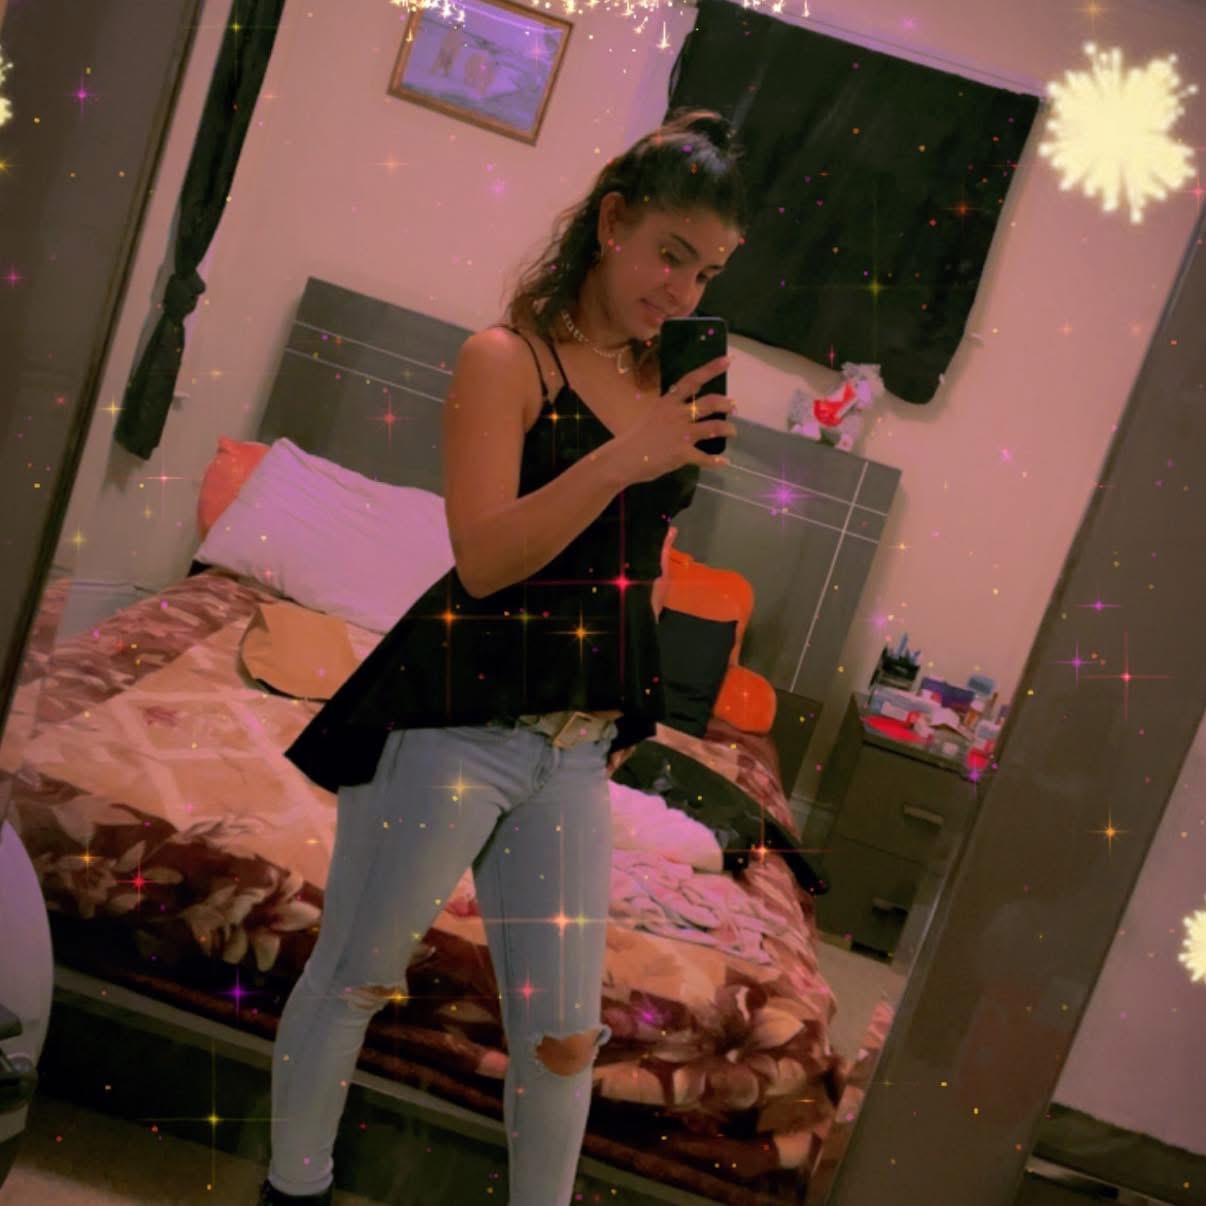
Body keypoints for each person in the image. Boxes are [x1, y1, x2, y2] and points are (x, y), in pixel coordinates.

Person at [258, 106, 748, 1206]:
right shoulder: (504, 361)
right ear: (612, 223)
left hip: (572, 751)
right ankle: (293, 1191)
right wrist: (627, 455)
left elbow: (645, 560)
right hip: (453, 726)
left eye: (708, 273)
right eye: (670, 254)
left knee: (566, 1037)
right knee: (355, 979)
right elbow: (483, 558)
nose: (683, 291)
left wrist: (631, 704)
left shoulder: (664, 389)